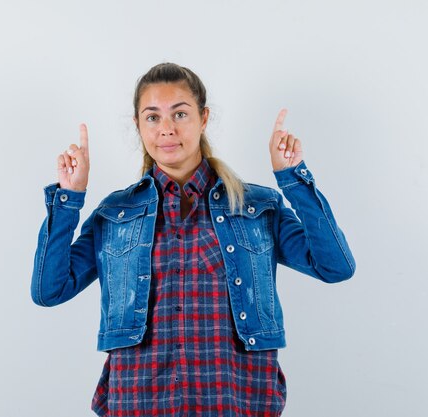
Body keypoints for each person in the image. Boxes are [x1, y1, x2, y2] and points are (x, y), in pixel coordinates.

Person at [30, 62, 355, 417]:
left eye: (180, 114)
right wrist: (69, 198)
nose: (166, 129)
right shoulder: (114, 214)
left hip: (238, 401)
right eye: (152, 117)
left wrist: (291, 178)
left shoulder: (258, 207)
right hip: (140, 402)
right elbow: (49, 290)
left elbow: (335, 267)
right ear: (138, 126)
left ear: (203, 118)